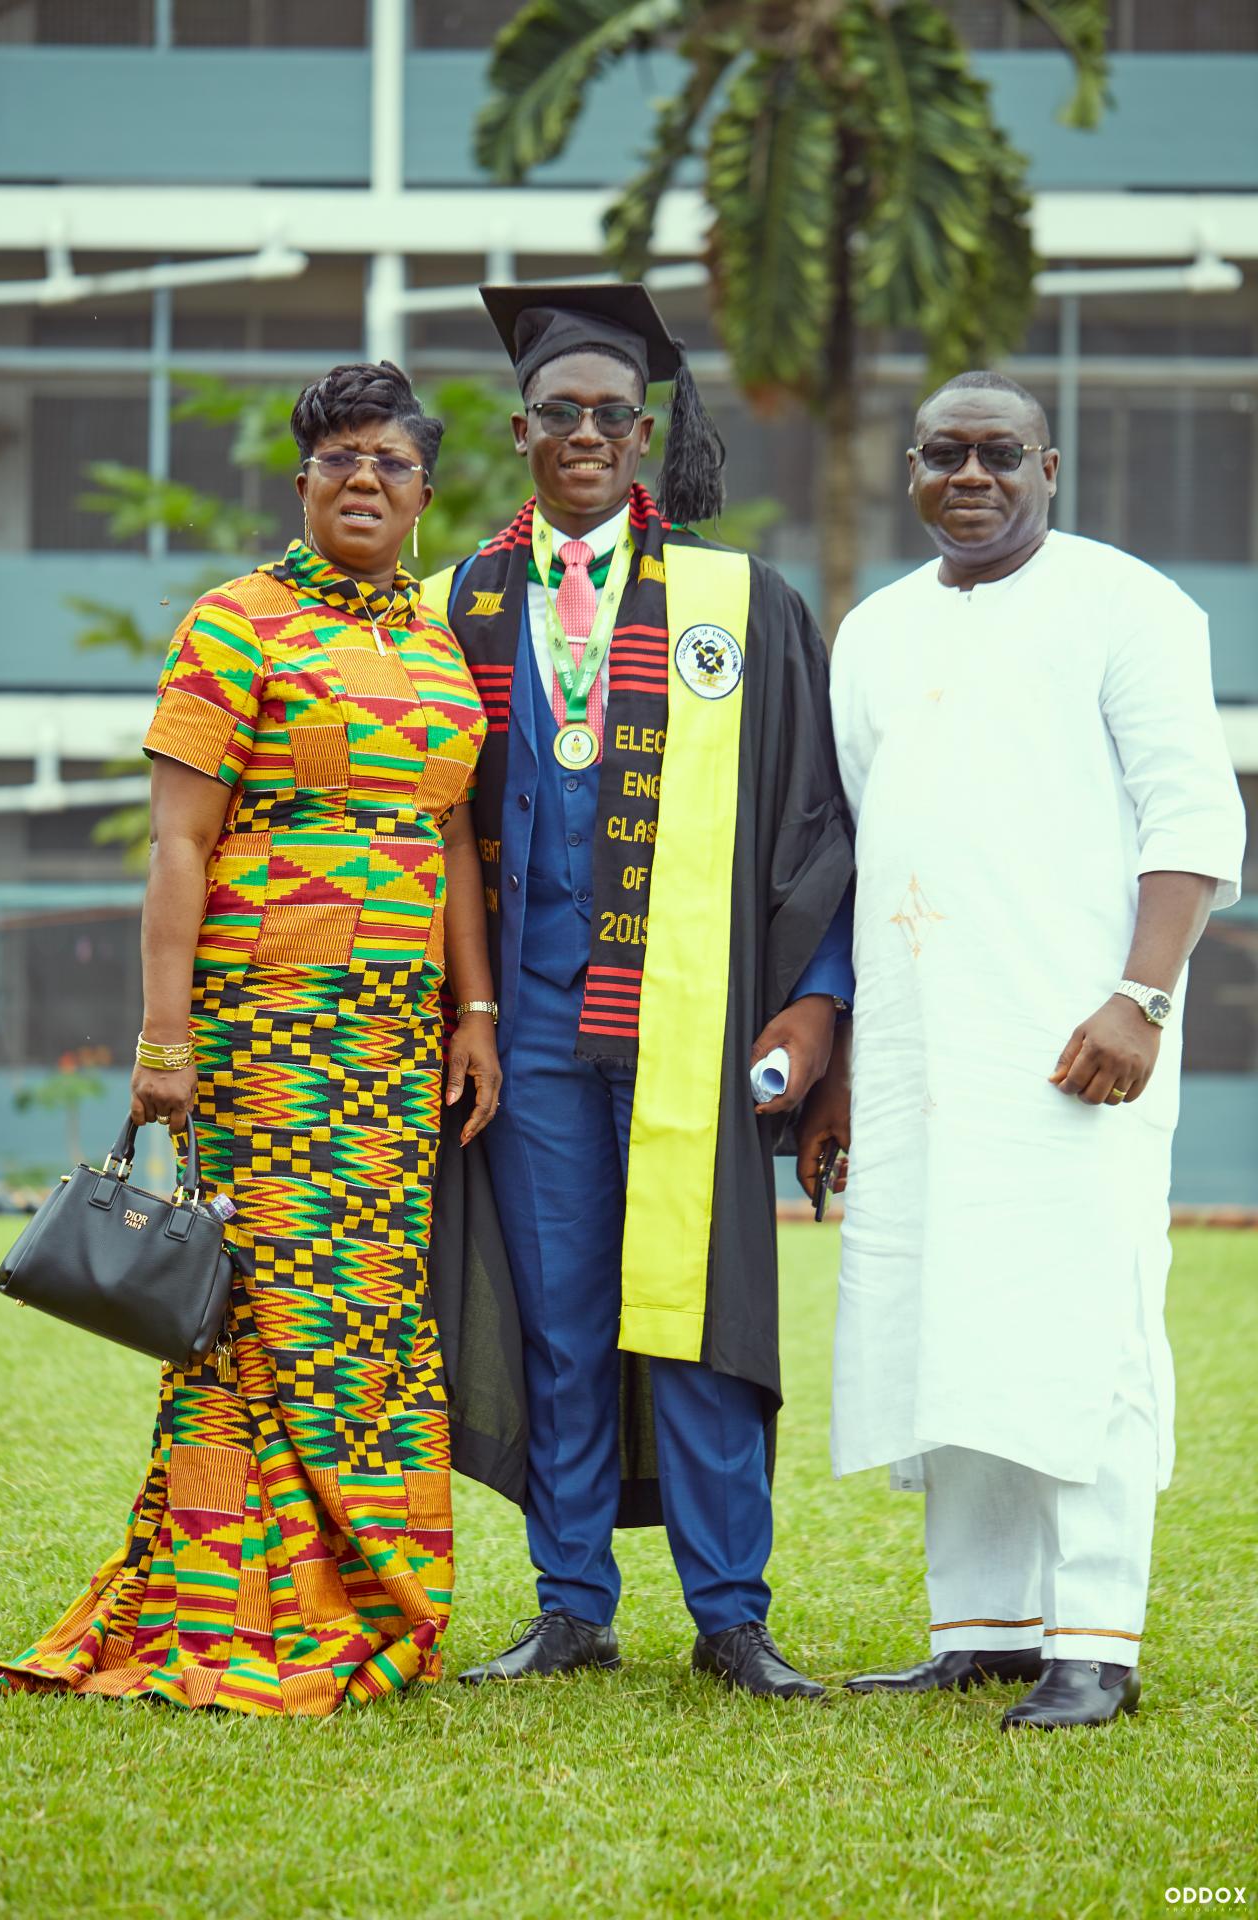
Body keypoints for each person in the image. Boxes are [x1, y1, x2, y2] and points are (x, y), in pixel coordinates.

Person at [0, 361, 499, 1715]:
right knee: (264, 1306)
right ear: (303, 481)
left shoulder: (437, 639)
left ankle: (362, 1585)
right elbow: (178, 844)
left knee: (369, 1308)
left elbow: (449, 837)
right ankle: (232, 1597)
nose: (366, 480)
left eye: (391, 461)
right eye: (341, 460)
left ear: (425, 490)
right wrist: (163, 1042)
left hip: (395, 1045)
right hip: (270, 1029)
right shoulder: (233, 623)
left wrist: (477, 1012)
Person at [797, 370, 1245, 1731]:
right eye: (945, 454)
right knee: (948, 1325)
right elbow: (866, 848)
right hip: (919, 1052)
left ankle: (1095, 1640)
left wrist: (1142, 998)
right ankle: (983, 1629)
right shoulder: (875, 631)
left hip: (1077, 1043)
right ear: (912, 470)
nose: (972, 477)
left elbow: (1191, 819)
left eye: (1001, 453)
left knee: (1081, 1326)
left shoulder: (1132, 605)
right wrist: (846, 1067)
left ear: (1050, 467)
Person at [425, 284, 854, 1699]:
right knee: (559, 1316)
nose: (589, 434)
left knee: (693, 1308)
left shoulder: (740, 600)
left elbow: (811, 819)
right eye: (561, 411)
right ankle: (572, 1605)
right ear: (521, 431)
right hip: (523, 1028)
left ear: (648, 432)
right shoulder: (454, 604)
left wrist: (817, 1001)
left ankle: (731, 1613)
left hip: (687, 1019)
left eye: (616, 414)